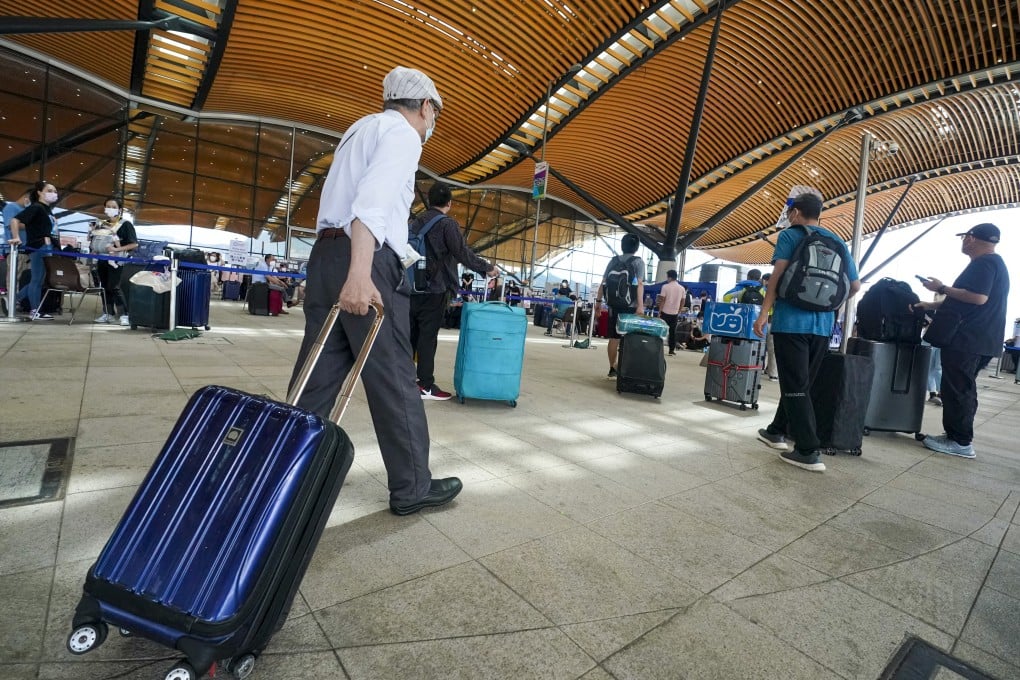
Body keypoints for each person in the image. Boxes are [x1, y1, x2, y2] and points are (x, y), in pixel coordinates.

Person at [287, 66, 461, 516]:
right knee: (394, 376)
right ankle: (412, 487)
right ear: (425, 107)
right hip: (364, 259)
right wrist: (361, 273)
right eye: (433, 115)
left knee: (316, 377)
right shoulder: (403, 134)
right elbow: (370, 206)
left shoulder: (358, 128)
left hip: (325, 258)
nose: (431, 125)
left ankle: (284, 479)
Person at [752, 192, 861, 473]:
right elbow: (855, 286)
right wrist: (827, 304)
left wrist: (764, 312)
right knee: (799, 383)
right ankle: (776, 430)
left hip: (791, 323)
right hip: (823, 328)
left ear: (796, 212)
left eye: (790, 211)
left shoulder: (791, 235)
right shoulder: (838, 242)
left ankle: (807, 449)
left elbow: (777, 277)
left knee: (796, 386)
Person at [916, 223, 1009, 459]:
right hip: (979, 339)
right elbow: (969, 301)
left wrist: (942, 287)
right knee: (961, 387)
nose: (963, 242)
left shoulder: (985, 263)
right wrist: (932, 304)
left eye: (964, 237)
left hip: (969, 340)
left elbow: (978, 298)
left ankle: (960, 441)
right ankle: (955, 436)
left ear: (970, 239)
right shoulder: (994, 263)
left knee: (958, 389)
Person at [408, 181, 496, 400]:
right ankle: (425, 385)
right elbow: (461, 253)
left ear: (429, 201)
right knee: (427, 338)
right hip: (436, 288)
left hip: (411, 286)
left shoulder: (415, 222)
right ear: (449, 202)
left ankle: (405, 380)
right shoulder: (447, 224)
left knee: (411, 336)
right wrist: (487, 269)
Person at [594, 233, 645, 378]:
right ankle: (626, 368)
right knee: (628, 338)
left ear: (622, 246)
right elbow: (639, 284)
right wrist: (640, 306)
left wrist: (598, 303)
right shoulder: (638, 262)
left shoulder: (613, 261)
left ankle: (612, 367)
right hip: (630, 305)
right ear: (636, 247)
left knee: (614, 337)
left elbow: (603, 283)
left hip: (613, 305)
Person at [7, 181, 59, 320]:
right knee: (37, 280)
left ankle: (14, 300)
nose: (53, 193)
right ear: (39, 192)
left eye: (55, 191)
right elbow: (15, 220)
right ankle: (35, 310)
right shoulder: (37, 207)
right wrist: (16, 237)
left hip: (46, 247)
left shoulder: (47, 210)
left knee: (39, 279)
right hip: (39, 246)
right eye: (49, 190)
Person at [92, 198, 138, 326]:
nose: (110, 208)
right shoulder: (102, 224)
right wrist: (95, 250)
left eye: (113, 206)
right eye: (108, 206)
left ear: (120, 209)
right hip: (101, 259)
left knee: (114, 286)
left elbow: (133, 244)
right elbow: (96, 240)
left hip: (116, 260)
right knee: (104, 287)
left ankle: (124, 314)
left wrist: (117, 249)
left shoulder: (125, 225)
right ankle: (108, 313)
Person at [2, 188, 30, 295]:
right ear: (26, 197)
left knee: (23, 277)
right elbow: (11, 224)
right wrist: (33, 225)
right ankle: (12, 301)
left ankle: (19, 301)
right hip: (16, 250)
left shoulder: (25, 210)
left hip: (26, 250)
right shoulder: (11, 207)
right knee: (15, 277)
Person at [657, 269, 686, 356]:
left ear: (669, 277)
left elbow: (662, 300)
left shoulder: (665, 287)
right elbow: (683, 301)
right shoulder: (682, 288)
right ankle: (671, 350)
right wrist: (679, 310)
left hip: (665, 312)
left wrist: (659, 312)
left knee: (661, 331)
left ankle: (658, 348)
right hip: (675, 313)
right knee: (673, 332)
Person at [760, 272, 778, 381]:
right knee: (773, 350)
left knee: (760, 347)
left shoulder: (761, 290)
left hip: (761, 321)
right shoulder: (778, 290)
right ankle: (773, 374)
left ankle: (759, 368)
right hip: (773, 322)